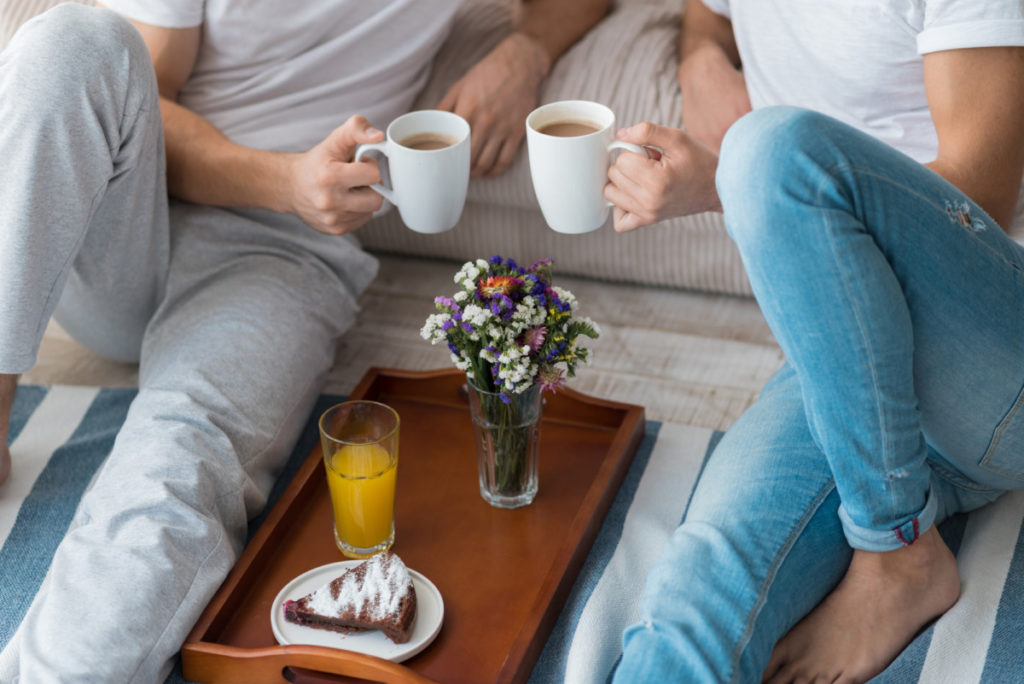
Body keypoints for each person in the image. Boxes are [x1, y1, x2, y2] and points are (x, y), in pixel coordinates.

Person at [0, 0, 610, 679]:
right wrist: (284, 179)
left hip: (274, 253)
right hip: (123, 217)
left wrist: (522, 54)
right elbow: (142, 94)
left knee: (176, 466)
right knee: (71, 41)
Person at [603, 0, 1024, 682]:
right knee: (692, 599)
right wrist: (701, 57)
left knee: (767, 149)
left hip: (995, 352)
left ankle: (897, 548)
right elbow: (706, 15)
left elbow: (985, 195)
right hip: (854, 378)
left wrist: (723, 181)